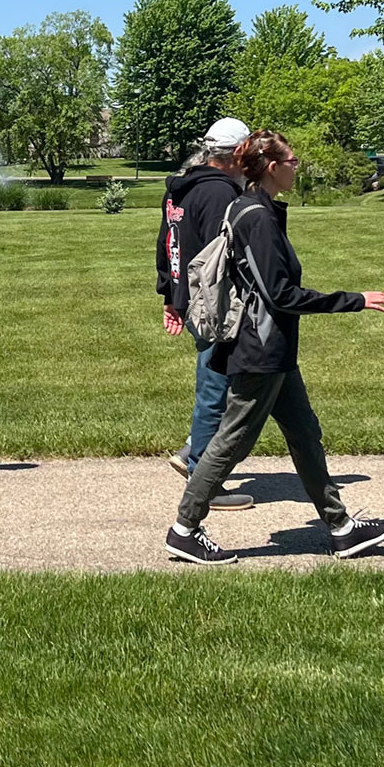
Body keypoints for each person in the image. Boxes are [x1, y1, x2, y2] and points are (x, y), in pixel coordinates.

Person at [165, 130, 384, 565]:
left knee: (305, 434)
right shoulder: (256, 216)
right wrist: (355, 300)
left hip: (272, 348)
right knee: (231, 440)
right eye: (292, 161)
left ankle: (341, 527)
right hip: (260, 348)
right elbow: (281, 294)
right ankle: (185, 529)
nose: (297, 167)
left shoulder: (254, 208)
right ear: (272, 168)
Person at [156, 117, 253, 511]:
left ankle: (193, 452)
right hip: (212, 302)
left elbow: (166, 242)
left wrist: (170, 293)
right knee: (218, 387)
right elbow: (222, 256)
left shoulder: (184, 185)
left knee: (222, 382)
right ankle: (203, 475)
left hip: (188, 296)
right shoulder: (218, 193)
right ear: (237, 154)